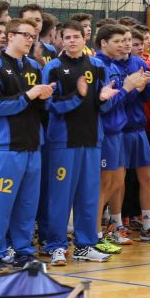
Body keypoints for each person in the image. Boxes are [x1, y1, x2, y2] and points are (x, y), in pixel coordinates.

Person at [42, 21, 121, 265]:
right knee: (60, 197)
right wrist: (78, 96)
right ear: (61, 40)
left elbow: (103, 105)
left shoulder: (97, 66)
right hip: (63, 141)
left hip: (91, 139)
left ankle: (84, 246)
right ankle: (56, 245)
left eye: (76, 36)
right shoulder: (53, 67)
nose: (72, 41)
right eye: (67, 37)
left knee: (88, 196)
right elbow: (49, 104)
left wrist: (104, 99)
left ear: (84, 38)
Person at [0, 18, 54, 273]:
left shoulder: (34, 66)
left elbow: (38, 107)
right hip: (5, 147)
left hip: (32, 145)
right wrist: (29, 95)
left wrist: (44, 97)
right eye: (25, 35)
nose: (30, 40)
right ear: (10, 36)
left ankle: (23, 252)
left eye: (33, 36)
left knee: (27, 205)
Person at [95, 24, 148, 254]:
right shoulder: (98, 66)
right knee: (103, 185)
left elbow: (122, 99)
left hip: (118, 130)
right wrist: (128, 87)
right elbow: (104, 106)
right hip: (106, 132)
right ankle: (93, 234)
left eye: (124, 40)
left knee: (117, 182)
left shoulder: (115, 65)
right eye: (117, 41)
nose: (122, 45)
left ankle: (104, 229)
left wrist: (136, 88)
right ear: (103, 43)